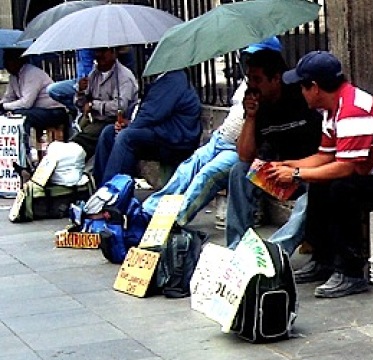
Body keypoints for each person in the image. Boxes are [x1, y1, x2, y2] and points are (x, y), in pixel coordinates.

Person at [265, 51, 373, 299]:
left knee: (342, 189)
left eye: (302, 86)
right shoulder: (332, 110)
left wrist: (298, 174)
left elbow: (345, 167)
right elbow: (325, 157)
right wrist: (288, 166)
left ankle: (350, 272)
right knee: (321, 183)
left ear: (314, 87)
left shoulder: (353, 110)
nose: (300, 92)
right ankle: (323, 259)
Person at [141, 39, 287, 227]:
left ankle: (172, 221)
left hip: (237, 148)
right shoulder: (248, 81)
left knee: (207, 175)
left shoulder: (270, 87)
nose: (250, 60)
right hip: (220, 139)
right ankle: (149, 210)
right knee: (188, 168)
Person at [224, 43, 322, 252]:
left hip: (310, 171)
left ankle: (275, 252)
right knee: (238, 172)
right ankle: (236, 246)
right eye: (249, 78)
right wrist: (250, 117)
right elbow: (244, 157)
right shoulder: (258, 105)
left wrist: (298, 171)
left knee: (314, 194)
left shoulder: (301, 95)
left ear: (275, 78)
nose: (252, 85)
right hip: (279, 173)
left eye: (257, 79)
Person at [92, 68, 201, 186]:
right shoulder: (166, 78)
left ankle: (113, 193)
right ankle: (99, 188)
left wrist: (130, 126)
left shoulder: (174, 79)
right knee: (109, 132)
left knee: (126, 137)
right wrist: (127, 123)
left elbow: (151, 113)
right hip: (163, 133)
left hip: (177, 141)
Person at [69, 46, 138, 157]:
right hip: (94, 121)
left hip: (115, 122)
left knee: (79, 144)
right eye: (97, 51)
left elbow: (119, 107)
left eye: (103, 51)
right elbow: (82, 105)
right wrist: (80, 91)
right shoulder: (94, 74)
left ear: (114, 53)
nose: (99, 55)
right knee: (75, 135)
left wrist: (93, 105)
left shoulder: (124, 77)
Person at [1, 47, 68, 132]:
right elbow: (9, 97)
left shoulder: (31, 73)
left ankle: (24, 143)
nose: (5, 64)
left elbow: (26, 103)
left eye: (8, 60)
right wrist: (2, 105)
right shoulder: (13, 77)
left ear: (18, 60)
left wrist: (4, 106)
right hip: (37, 110)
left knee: (21, 115)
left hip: (53, 111)